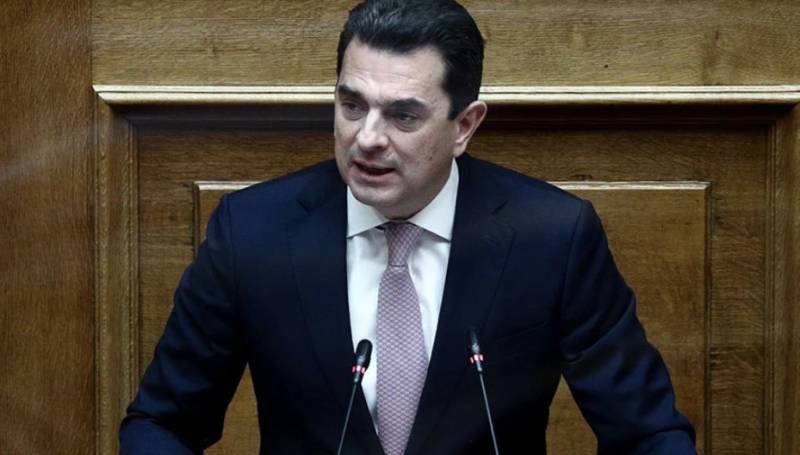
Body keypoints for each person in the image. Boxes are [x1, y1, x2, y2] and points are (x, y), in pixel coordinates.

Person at [120, 1, 697, 453]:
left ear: (464, 126)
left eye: (402, 115)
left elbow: (647, 434)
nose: (368, 138)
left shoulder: (552, 237)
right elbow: (161, 423)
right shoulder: (253, 232)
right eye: (352, 105)